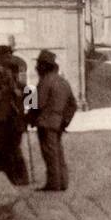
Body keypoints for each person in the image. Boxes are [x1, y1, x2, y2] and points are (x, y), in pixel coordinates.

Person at [0, 46, 29, 186]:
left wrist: (31, 106)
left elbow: (24, 90)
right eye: (7, 56)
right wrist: (6, 91)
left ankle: (18, 178)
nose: (10, 59)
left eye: (10, 56)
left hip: (13, 116)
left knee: (13, 147)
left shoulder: (9, 72)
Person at [33, 50, 77, 192]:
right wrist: (65, 121)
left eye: (38, 64)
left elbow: (37, 104)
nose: (36, 67)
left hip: (45, 122)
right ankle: (63, 182)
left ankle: (54, 184)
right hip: (58, 123)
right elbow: (73, 104)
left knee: (50, 154)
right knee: (58, 152)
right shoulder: (63, 81)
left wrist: (28, 116)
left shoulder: (45, 81)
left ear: (44, 66)